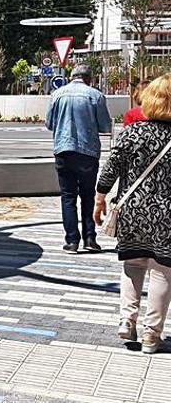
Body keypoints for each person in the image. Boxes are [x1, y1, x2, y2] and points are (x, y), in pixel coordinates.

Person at [94, 73, 171, 354]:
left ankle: (127, 320)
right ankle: (152, 335)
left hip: (132, 211)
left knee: (133, 264)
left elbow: (110, 168)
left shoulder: (133, 131)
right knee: (163, 271)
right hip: (167, 215)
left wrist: (100, 198)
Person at [45, 64, 113, 254]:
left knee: (68, 197)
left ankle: (72, 241)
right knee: (87, 195)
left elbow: (49, 124)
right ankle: (90, 238)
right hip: (88, 153)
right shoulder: (95, 96)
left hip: (63, 150)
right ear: (88, 78)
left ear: (72, 77)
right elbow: (106, 126)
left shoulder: (57, 95)